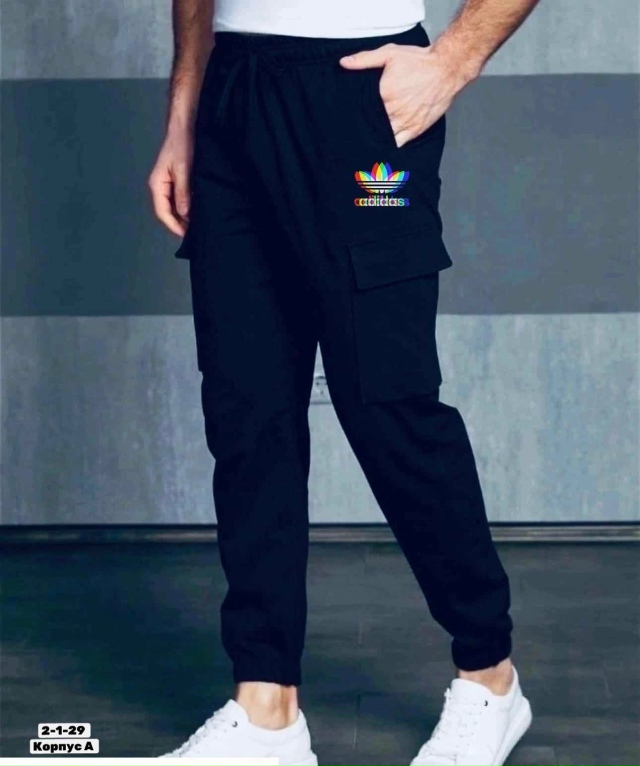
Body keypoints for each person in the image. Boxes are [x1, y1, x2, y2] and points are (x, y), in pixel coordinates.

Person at [148, 1, 540, 763]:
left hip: (361, 98)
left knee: (386, 401)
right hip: (234, 95)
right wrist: (185, 110)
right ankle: (266, 711)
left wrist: (453, 60)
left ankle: (490, 677)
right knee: (247, 408)